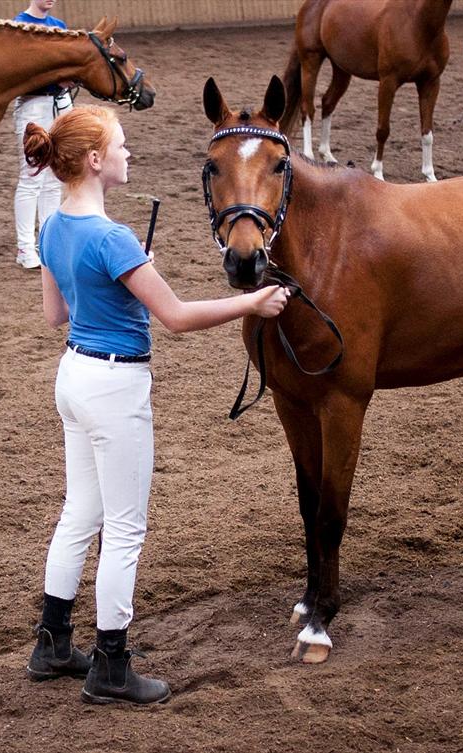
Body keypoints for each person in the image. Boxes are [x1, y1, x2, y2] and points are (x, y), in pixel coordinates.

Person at [20, 104, 288, 706]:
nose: (128, 152)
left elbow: (55, 314)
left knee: (79, 513)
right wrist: (253, 304)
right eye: (120, 144)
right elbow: (177, 318)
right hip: (115, 388)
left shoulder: (54, 225)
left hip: (74, 375)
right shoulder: (112, 238)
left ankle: (53, 642)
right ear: (94, 161)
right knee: (124, 530)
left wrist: (114, 286)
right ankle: (112, 665)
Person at [12, 0, 72, 270]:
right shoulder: (21, 26)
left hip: (59, 102)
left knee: (52, 177)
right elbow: (20, 73)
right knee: (32, 176)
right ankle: (25, 246)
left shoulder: (59, 27)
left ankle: (47, 242)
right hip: (34, 104)